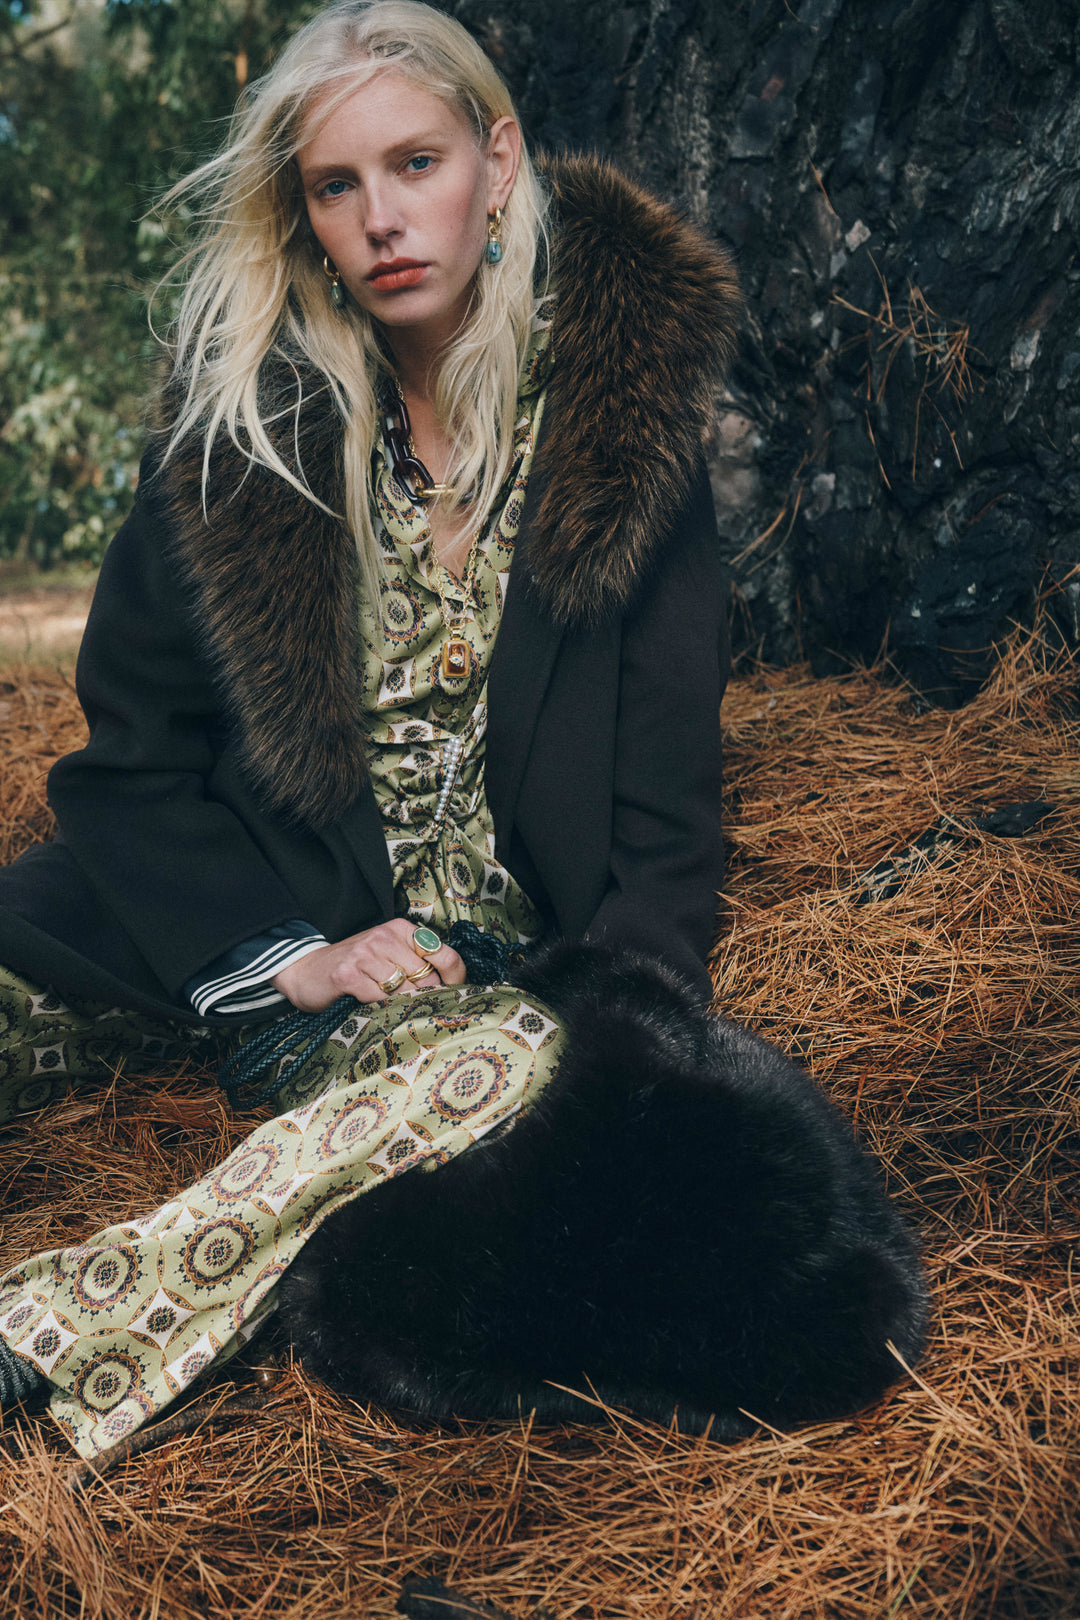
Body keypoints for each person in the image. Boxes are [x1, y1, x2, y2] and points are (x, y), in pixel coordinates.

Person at [0, 0, 740, 1458]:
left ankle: (43, 1338)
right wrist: (291, 957)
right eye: (337, 186)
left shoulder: (621, 437)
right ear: (305, 219)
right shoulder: (237, 439)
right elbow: (131, 761)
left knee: (510, 1071)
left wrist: (619, 1032)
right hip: (252, 930)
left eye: (416, 163)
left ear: (498, 162)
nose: (383, 219)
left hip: (467, 995)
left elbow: (666, 830)